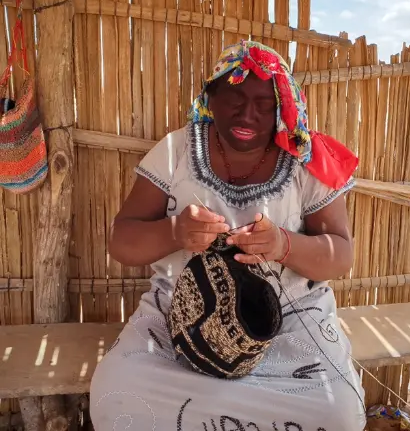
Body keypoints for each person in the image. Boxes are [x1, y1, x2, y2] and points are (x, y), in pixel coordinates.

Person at [90, 40, 366, 430]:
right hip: (178, 316)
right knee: (116, 394)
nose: (247, 114)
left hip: (290, 320)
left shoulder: (306, 160)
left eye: (264, 105)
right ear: (211, 96)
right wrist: (175, 231)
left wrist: (283, 245)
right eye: (234, 97)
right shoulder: (176, 152)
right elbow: (122, 240)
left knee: (335, 411)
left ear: (281, 109)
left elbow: (340, 254)